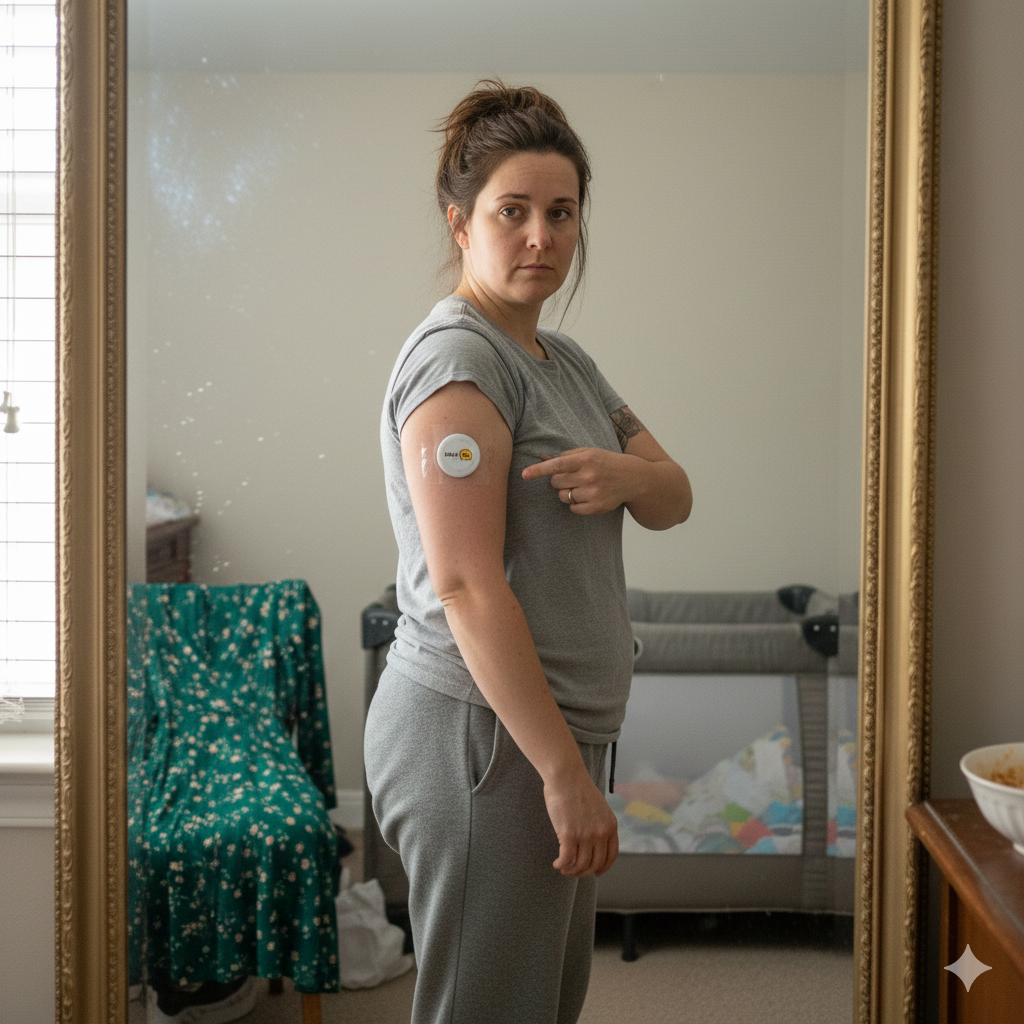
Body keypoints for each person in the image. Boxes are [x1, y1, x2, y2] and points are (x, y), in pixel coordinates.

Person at [364, 80, 691, 1024]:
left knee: (543, 1001)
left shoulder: (566, 362)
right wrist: (561, 774)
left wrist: (627, 477)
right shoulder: (459, 364)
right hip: (484, 737)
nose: (542, 236)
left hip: (547, 732)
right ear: (461, 223)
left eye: (562, 212)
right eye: (513, 211)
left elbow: (675, 496)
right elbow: (467, 586)